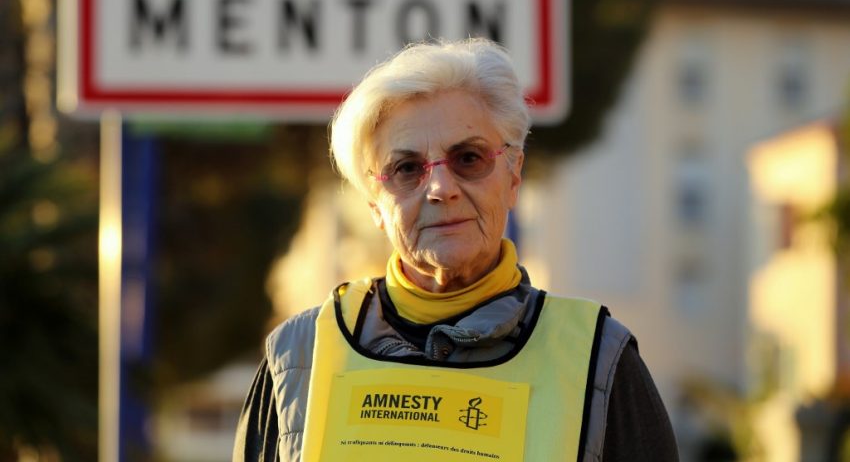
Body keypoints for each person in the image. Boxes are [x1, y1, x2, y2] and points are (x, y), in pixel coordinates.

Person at [233, 38, 678, 461]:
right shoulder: (296, 358)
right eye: (407, 168)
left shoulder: (600, 359)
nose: (441, 188)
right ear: (374, 202)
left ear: (513, 174)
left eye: (468, 158)